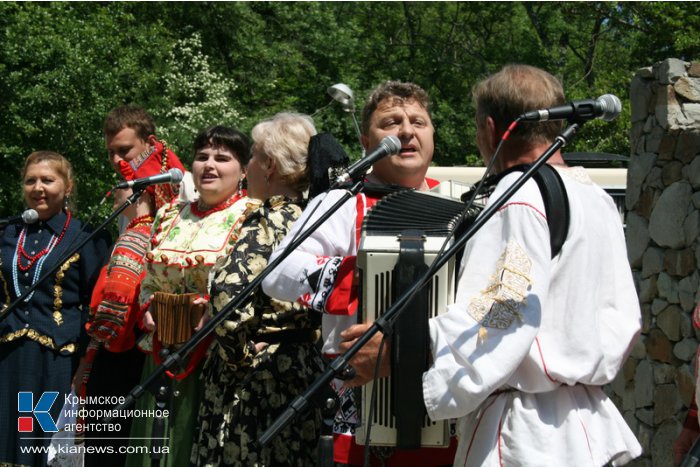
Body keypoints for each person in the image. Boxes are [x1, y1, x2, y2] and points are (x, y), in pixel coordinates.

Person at [340, 64, 643, 466]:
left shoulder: (518, 198)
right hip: (584, 422)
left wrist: (399, 347)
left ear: (489, 128)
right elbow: (620, 311)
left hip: (527, 434)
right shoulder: (596, 197)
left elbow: (502, 310)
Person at [262, 81, 457, 466]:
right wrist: (363, 281)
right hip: (363, 412)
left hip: (445, 408)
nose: (406, 130)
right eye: (391, 122)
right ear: (367, 142)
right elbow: (278, 271)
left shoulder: (462, 203)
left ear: (432, 135)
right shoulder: (342, 201)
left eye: (418, 121)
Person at [191, 112, 324, 466]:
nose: (247, 165)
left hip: (259, 381)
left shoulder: (267, 220)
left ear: (269, 166)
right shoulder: (319, 216)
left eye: (251, 157)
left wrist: (238, 357)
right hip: (303, 371)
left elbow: (227, 296)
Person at [126, 125, 255, 467]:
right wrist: (148, 308)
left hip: (215, 358)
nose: (209, 165)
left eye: (222, 158)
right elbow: (148, 280)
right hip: (161, 352)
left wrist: (211, 309)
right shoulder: (170, 215)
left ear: (244, 170)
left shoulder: (252, 216)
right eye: (202, 157)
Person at [78, 106, 194, 467]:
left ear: (148, 143)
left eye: (124, 150)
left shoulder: (173, 181)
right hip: (120, 331)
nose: (116, 159)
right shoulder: (137, 183)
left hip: (148, 335)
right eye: (110, 152)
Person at [0, 151, 110, 467]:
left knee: (41, 441)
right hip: (9, 356)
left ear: (68, 186)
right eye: (30, 180)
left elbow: (97, 303)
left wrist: (86, 366)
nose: (38, 188)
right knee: (8, 437)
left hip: (58, 359)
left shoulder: (87, 236)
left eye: (48, 180)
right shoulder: (8, 233)